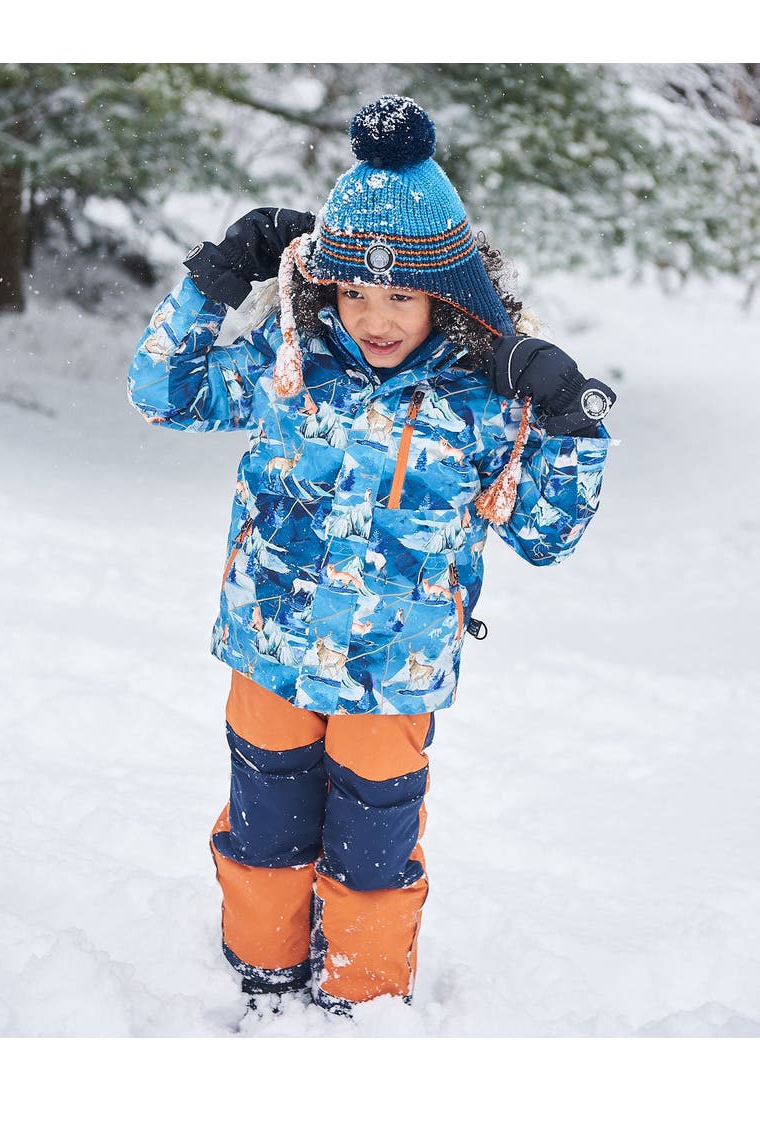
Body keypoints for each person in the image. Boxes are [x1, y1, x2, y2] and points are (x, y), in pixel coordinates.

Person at [128, 95, 616, 1016]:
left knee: (375, 847)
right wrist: (216, 278)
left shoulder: (481, 404)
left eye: (403, 295)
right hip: (269, 651)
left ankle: (365, 998)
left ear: (450, 296)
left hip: (396, 673)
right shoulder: (287, 369)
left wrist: (569, 422)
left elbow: (546, 537)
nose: (377, 318)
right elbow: (161, 391)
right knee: (263, 830)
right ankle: (261, 976)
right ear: (327, 288)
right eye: (356, 292)